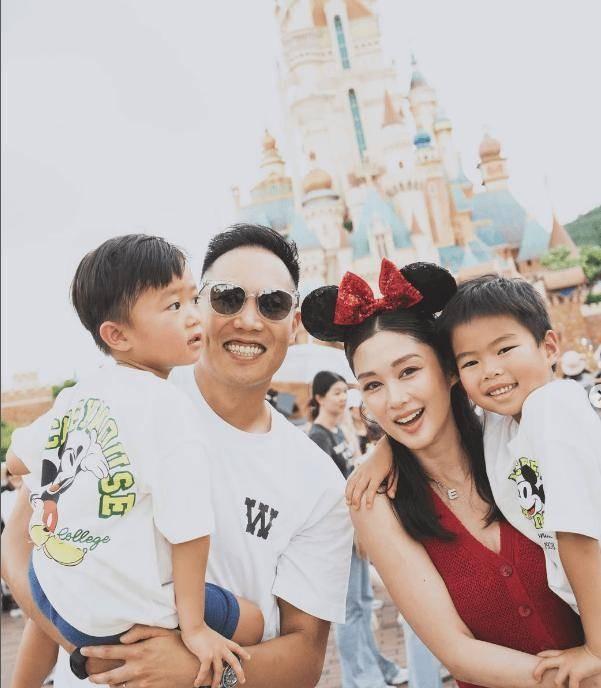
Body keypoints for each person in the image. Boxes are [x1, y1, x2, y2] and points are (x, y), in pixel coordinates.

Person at [2, 223, 353, 688]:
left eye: (273, 303)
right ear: (200, 305)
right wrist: (94, 656)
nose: (249, 320)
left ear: (294, 323)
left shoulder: (319, 482)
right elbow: (21, 543)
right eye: (227, 298)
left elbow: (304, 660)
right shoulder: (135, 400)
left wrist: (189, 671)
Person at [301, 257, 597, 688]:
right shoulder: (375, 501)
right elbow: (458, 653)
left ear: (449, 371)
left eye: (409, 371)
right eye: (373, 385)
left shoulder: (514, 437)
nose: (396, 399)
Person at [436, 276, 601, 687]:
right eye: (470, 362)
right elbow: (445, 422)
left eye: (505, 349)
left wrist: (596, 649)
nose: (491, 370)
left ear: (549, 347)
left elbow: (577, 533)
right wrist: (383, 453)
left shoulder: (552, 408)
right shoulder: (505, 421)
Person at [307, 370, 408, 688]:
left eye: (344, 392)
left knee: (363, 603)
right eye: (335, 393)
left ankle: (375, 667)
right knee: (350, 609)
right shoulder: (318, 437)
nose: (342, 398)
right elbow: (325, 493)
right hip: (340, 536)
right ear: (319, 398)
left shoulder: (339, 431)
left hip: (356, 530)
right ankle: (360, 678)